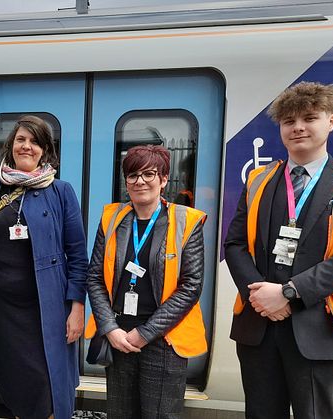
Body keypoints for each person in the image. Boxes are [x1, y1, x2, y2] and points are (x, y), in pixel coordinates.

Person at [225, 81, 333, 419]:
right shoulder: (259, 179)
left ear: (331, 121)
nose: (298, 127)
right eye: (288, 121)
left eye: (309, 118)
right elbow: (236, 244)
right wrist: (259, 296)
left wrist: (289, 293)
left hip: (321, 329)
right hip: (259, 328)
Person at [0, 115, 87, 419]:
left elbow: (77, 254)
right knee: (12, 387)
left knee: (47, 387)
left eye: (34, 141)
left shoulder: (61, 192)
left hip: (47, 311)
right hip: (3, 311)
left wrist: (76, 307)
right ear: (11, 146)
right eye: (21, 140)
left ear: (44, 150)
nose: (27, 146)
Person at [85, 145, 207, 418]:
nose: (140, 181)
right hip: (119, 337)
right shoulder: (112, 218)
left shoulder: (187, 221)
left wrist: (145, 333)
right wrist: (110, 328)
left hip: (164, 340)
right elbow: (94, 277)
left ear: (164, 179)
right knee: (120, 414)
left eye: (149, 174)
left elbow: (191, 286)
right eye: (132, 175)